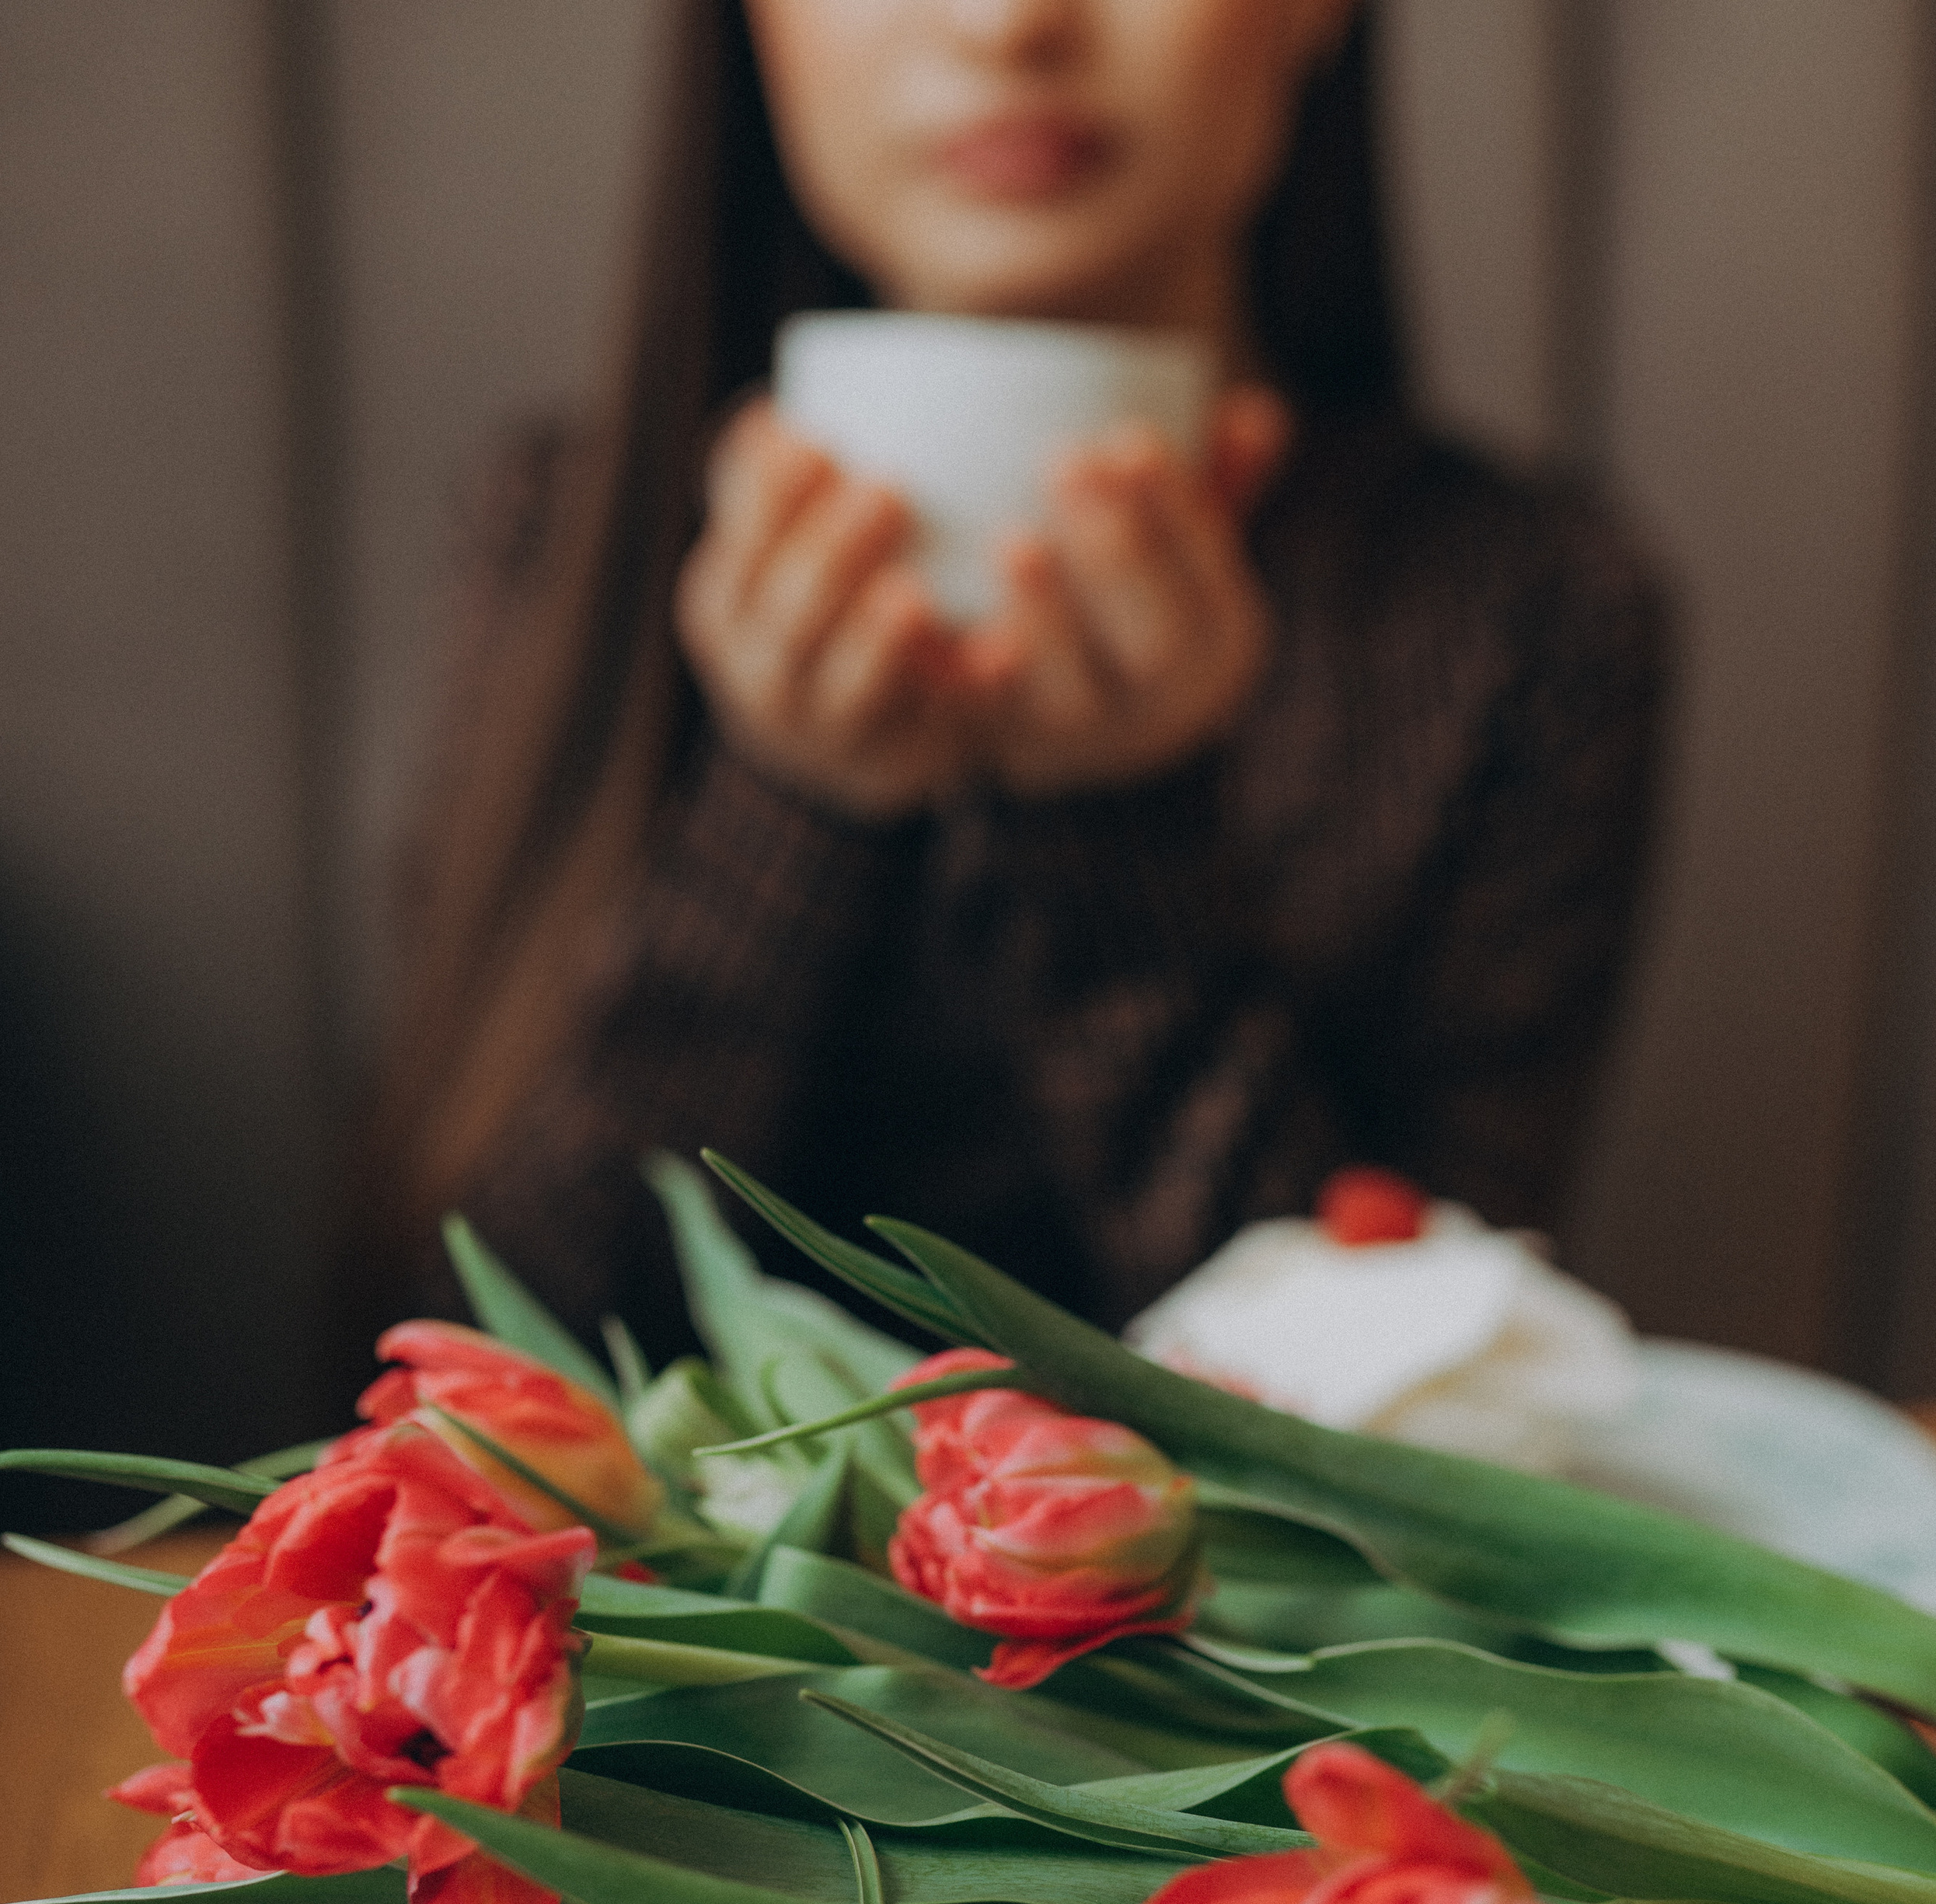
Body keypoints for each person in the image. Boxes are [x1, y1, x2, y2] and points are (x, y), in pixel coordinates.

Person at [371, 0, 1666, 1369]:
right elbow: (465, 1380)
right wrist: (784, 807)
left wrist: (1120, 848)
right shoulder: (568, 547)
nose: (1006, 24)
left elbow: (1429, 1420)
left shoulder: (1521, 612)